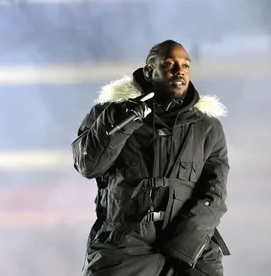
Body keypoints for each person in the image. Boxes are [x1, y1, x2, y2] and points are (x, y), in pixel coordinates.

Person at [72, 40, 230, 276]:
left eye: (186, 66)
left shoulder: (207, 126)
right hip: (125, 243)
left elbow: (214, 192)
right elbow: (88, 166)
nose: (180, 71)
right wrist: (119, 121)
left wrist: (187, 241)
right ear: (149, 71)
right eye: (169, 64)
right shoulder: (111, 113)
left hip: (189, 245)